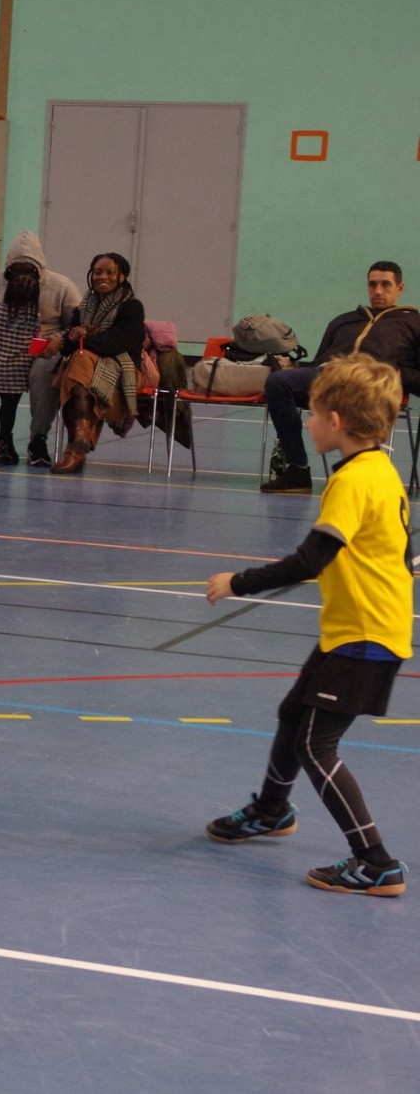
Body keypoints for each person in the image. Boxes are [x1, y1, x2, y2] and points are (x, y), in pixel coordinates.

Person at [204, 353, 410, 897]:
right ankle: (272, 809)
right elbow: (400, 551)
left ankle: (376, 861)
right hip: (355, 629)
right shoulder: (381, 470)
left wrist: (237, 582)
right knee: (294, 713)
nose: (309, 422)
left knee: (317, 747)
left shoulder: (353, 482)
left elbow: (310, 560)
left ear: (336, 421)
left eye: (312, 414)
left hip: (364, 635)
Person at [260, 262, 420, 494]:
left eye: (385, 285)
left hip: (369, 386)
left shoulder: (413, 324)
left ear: (399, 288)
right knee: (278, 381)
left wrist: (395, 372)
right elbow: (318, 362)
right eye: (372, 284)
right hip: (328, 379)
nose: (377, 291)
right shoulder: (344, 320)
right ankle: (297, 469)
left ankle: (361, 473)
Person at [0, 231, 82, 467]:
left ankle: (38, 440)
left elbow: (76, 326)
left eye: (28, 270)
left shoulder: (63, 287)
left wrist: (57, 340)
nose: (22, 275)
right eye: (16, 270)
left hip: (42, 353)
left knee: (46, 369)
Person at [49, 252, 146, 474]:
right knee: (78, 365)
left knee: (79, 361)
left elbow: (114, 344)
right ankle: (80, 438)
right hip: (85, 371)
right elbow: (67, 348)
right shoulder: (82, 309)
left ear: (121, 277)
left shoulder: (132, 307)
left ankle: (76, 445)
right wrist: (71, 337)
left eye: (110, 272)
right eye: (97, 272)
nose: (102, 277)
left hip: (123, 371)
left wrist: (80, 340)